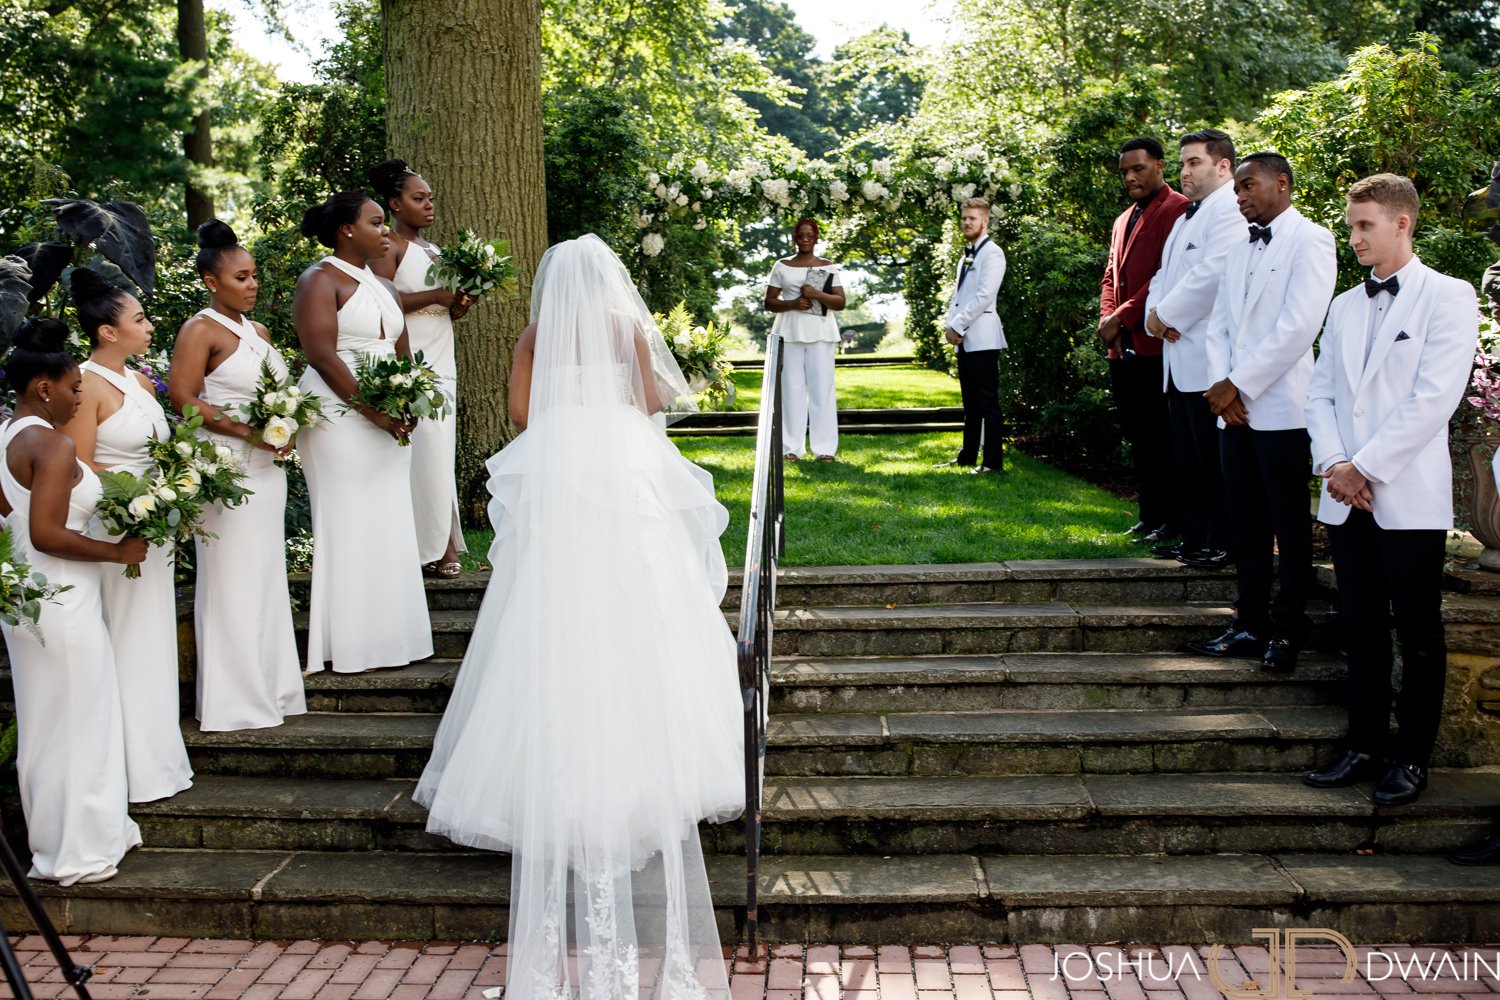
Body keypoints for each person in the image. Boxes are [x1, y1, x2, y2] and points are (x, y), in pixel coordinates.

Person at [414, 235, 742, 1000]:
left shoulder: (534, 336)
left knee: (555, 614)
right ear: (609, 281)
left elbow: (523, 412)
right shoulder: (626, 327)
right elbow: (656, 398)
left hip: (561, 467)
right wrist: (615, 406)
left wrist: (570, 410)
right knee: (644, 605)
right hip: (622, 466)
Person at [1303, 174, 1479, 806]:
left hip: (1405, 496)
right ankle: (1362, 745)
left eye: (1365, 225)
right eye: (1351, 226)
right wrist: (1335, 465)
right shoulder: (1345, 305)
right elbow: (1319, 392)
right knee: (1361, 628)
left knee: (1419, 631)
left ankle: (1411, 759)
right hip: (1346, 496)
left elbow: (1433, 399)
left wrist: (1365, 468)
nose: (1354, 238)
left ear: (1402, 223)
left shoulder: (1449, 297)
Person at [0, 317, 147, 884]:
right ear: (44, 387)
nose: (78, 395)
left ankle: (69, 838)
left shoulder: (7, 438)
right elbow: (46, 533)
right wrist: (118, 553)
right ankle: (77, 850)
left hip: (27, 599)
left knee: (49, 723)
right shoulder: (52, 444)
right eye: (73, 388)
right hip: (61, 600)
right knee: (81, 719)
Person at [1185, 152, 1336, 672]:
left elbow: (1298, 328)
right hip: (1234, 412)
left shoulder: (1311, 239)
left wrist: (1238, 385)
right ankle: (1247, 622)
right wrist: (1221, 391)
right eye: (1238, 189)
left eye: (1248, 186)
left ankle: (1289, 629)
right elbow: (1219, 324)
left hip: (1281, 411)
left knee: (1288, 525)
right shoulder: (1238, 247)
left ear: (1282, 184)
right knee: (1244, 522)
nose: (1240, 195)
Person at [60, 268, 194, 804]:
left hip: (155, 523)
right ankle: (134, 768)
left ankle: (159, 758)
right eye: (138, 318)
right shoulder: (85, 384)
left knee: (155, 636)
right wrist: (127, 512)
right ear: (107, 332)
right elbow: (81, 466)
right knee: (130, 639)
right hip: (117, 526)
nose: (149, 324)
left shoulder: (139, 381)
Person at [168, 220, 307, 731]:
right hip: (226, 466)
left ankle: (274, 688)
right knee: (231, 580)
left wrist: (287, 425)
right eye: (242, 277)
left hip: (269, 470)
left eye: (254, 277)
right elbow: (182, 397)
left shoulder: (261, 333)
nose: (252, 285)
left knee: (264, 575)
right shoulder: (199, 330)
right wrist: (251, 433)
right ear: (212, 281)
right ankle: (234, 700)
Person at [294, 191, 433, 674]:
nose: (387, 233)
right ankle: (350, 644)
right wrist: (372, 411)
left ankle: (395, 638)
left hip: (389, 417)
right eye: (377, 223)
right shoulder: (319, 279)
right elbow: (322, 355)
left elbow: (403, 355)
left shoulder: (387, 289)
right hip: (338, 416)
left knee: (389, 518)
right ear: (346, 230)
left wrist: (409, 401)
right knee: (350, 520)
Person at [1143, 129, 1246, 566]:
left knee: (1213, 463)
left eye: (1194, 162)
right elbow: (1163, 277)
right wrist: (1153, 317)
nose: (1184, 171)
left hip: (1206, 356)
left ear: (1223, 166)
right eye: (1183, 163)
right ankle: (1194, 535)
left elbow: (1211, 275)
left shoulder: (1230, 213)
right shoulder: (1187, 216)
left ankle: (1222, 540)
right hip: (1175, 355)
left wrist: (1164, 317)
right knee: (1188, 459)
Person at [368, 159, 470, 575]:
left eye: (430, 198)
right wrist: (435, 296)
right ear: (395, 203)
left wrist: (458, 302)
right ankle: (437, 547)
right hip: (411, 354)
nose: (429, 205)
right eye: (418, 198)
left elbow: (445, 306)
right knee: (425, 446)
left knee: (441, 448)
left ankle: (440, 539)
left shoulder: (435, 250)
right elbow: (382, 302)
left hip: (442, 351)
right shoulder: (389, 246)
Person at [1100, 138, 1191, 537]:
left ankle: (1173, 517)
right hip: (1121, 347)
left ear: (1159, 165)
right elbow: (1110, 277)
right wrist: (1108, 321)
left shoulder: (1178, 211)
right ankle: (1150, 515)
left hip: (1157, 344)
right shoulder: (1122, 220)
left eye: (1137, 168)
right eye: (1124, 172)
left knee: (1163, 437)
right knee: (1138, 434)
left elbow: (1163, 276)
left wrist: (1121, 317)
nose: (1130, 177)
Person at [763, 217, 845, 461]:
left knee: (822, 391)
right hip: (790, 332)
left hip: (821, 332)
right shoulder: (782, 266)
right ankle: (791, 447)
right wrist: (793, 303)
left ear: (816, 238)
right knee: (791, 390)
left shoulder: (828, 267)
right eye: (801, 235)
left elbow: (840, 302)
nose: (805, 239)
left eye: (810, 235)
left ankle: (825, 449)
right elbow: (769, 302)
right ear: (794, 238)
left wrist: (817, 293)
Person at [937, 197, 1007, 474]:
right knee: (971, 403)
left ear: (985, 221)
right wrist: (949, 324)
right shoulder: (966, 255)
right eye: (964, 218)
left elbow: (984, 296)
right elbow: (958, 297)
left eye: (973, 218)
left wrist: (958, 326)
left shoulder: (993, 253)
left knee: (987, 402)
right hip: (965, 340)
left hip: (983, 338)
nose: (967, 223)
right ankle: (967, 456)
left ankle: (992, 462)